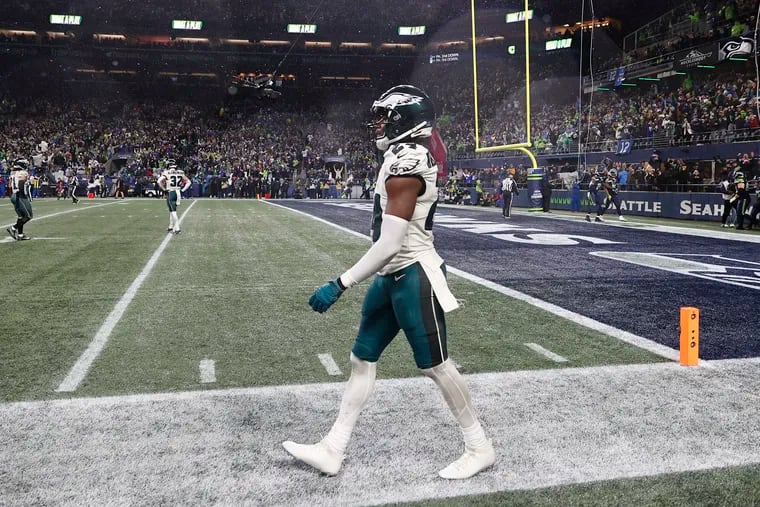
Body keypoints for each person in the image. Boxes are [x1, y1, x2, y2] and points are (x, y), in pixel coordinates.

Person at [282, 85, 495, 480]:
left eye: (386, 116)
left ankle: (480, 447)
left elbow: (392, 241)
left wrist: (340, 283)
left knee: (436, 366)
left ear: (405, 120)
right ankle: (333, 448)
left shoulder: (410, 160)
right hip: (390, 276)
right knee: (361, 358)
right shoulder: (399, 154)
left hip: (414, 274)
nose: (378, 122)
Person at [156, 162, 191, 234]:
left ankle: (177, 228)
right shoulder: (180, 173)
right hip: (178, 192)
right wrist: (183, 190)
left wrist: (163, 189)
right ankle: (171, 226)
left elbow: (159, 181)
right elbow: (189, 182)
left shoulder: (167, 172)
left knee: (173, 211)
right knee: (171, 210)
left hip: (171, 192)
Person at [6, 158, 33, 241]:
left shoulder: (13, 173)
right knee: (29, 216)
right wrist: (22, 193)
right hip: (20, 195)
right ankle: (13, 228)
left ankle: (20, 235)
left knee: (21, 217)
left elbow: (9, 186)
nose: (26, 166)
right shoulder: (23, 172)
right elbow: (21, 183)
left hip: (14, 195)